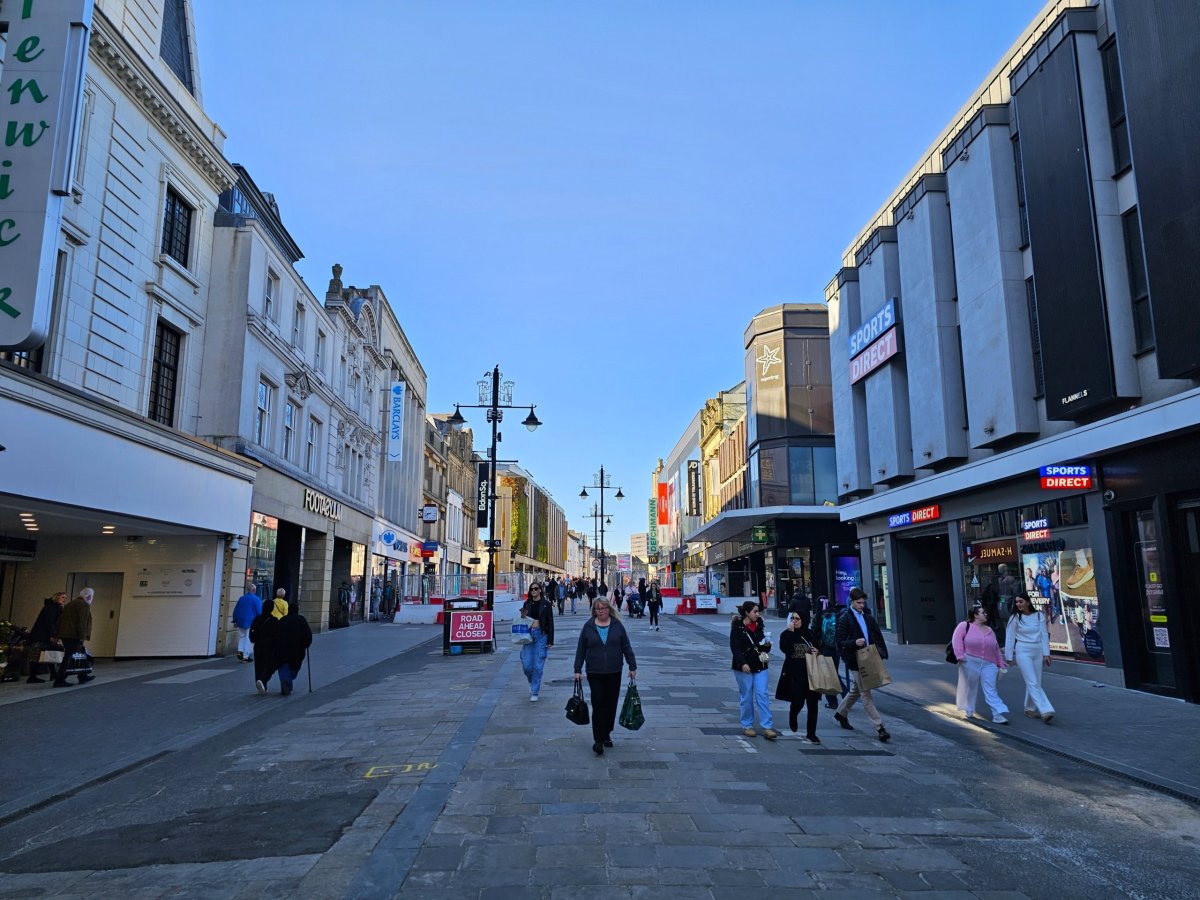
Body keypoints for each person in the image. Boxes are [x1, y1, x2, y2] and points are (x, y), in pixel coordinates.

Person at [574, 598, 637, 755]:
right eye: (598, 609)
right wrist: (577, 669)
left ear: (609, 609)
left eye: (603, 608)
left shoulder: (617, 626)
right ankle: (598, 740)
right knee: (598, 704)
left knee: (610, 704)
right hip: (594, 671)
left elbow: (626, 646)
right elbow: (581, 648)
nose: (601, 611)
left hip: (614, 671)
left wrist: (632, 666)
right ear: (594, 610)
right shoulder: (588, 626)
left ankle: (607, 732)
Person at [833, 587, 891, 742]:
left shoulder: (867, 616)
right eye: (858, 603)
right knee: (866, 693)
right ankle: (880, 727)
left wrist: (881, 653)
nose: (861, 605)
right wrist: (854, 642)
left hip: (869, 657)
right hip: (855, 660)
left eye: (863, 603)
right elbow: (839, 642)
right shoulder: (845, 617)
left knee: (857, 690)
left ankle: (841, 713)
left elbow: (876, 636)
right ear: (851, 602)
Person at [952, 603, 1009, 724]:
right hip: (969, 661)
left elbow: (995, 648)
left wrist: (1001, 662)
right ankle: (969, 708)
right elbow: (956, 640)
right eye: (983, 613)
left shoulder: (989, 630)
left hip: (989, 664)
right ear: (975, 615)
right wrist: (960, 656)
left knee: (991, 689)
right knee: (970, 687)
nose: (986, 614)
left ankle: (998, 714)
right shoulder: (964, 626)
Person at [730, 601, 778, 740]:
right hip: (744, 667)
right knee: (747, 696)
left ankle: (767, 726)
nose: (758, 614)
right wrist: (743, 663)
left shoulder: (759, 625)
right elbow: (735, 647)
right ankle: (747, 725)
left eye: (758, 611)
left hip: (760, 664)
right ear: (747, 612)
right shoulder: (738, 627)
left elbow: (762, 647)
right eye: (755, 611)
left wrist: (767, 645)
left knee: (762, 694)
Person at [1004, 590, 1055, 723]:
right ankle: (1046, 710)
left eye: (1021, 601)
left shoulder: (1039, 616)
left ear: (1027, 602)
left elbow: (1044, 635)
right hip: (1023, 651)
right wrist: (1008, 656)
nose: (1018, 604)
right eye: (1016, 602)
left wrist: (1046, 654)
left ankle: (1029, 709)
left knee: (1035, 681)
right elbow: (1010, 638)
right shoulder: (1015, 618)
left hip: (1037, 651)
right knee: (1032, 681)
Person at [775, 610, 822, 743]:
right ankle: (793, 715)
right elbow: (785, 649)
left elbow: (819, 647)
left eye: (797, 619)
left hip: (812, 673)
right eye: (793, 618)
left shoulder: (810, 634)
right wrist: (790, 632)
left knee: (813, 705)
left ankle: (811, 733)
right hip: (795, 674)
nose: (794, 621)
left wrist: (818, 651)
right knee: (798, 702)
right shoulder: (787, 634)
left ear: (804, 620)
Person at [52, 589, 95, 687]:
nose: (91, 599)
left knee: (80, 654)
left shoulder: (71, 604)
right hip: (73, 635)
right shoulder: (83, 605)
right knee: (69, 656)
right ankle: (60, 679)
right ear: (88, 596)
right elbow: (82, 622)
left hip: (66, 634)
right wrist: (82, 637)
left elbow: (60, 620)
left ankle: (83, 675)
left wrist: (56, 634)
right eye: (91, 596)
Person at [520, 582, 554, 702]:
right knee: (527, 665)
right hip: (528, 636)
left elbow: (550, 622)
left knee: (538, 666)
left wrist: (550, 640)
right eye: (531, 589)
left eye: (536, 589)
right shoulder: (527, 603)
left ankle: (535, 691)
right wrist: (522, 615)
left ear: (540, 590)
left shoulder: (546, 604)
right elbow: (522, 619)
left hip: (541, 635)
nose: (533, 591)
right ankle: (531, 680)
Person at [250, 591, 287, 695]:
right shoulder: (274, 620)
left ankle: (260, 684)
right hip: (270, 647)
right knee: (270, 665)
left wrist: (253, 639)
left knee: (258, 665)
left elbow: (252, 632)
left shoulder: (257, 619)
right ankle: (263, 681)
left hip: (258, 646)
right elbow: (278, 635)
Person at [27, 592, 66, 684]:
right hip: (42, 636)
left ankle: (52, 674)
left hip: (42, 635)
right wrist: (52, 635)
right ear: (56, 598)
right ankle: (33, 676)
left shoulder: (52, 607)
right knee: (40, 655)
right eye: (62, 597)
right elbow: (50, 623)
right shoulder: (52, 608)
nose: (64, 599)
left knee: (47, 654)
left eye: (65, 597)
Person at [276, 604, 313, 696]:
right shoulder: (301, 620)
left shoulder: (283, 620)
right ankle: (287, 681)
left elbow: (276, 634)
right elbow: (308, 634)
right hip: (297, 650)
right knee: (294, 667)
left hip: (283, 648)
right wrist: (307, 643)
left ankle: (286, 682)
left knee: (283, 666)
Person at [819, 604, 846, 709]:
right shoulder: (837, 616)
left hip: (825, 649)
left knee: (829, 675)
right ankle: (845, 696)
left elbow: (816, 633)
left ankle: (834, 701)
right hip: (836, 649)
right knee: (834, 673)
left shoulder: (821, 617)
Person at [231, 583, 262, 663]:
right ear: (254, 590)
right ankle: (245, 656)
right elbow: (259, 612)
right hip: (251, 621)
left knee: (242, 637)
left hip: (240, 621)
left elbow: (236, 610)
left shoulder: (241, 598)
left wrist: (235, 620)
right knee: (249, 638)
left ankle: (240, 652)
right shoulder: (256, 599)